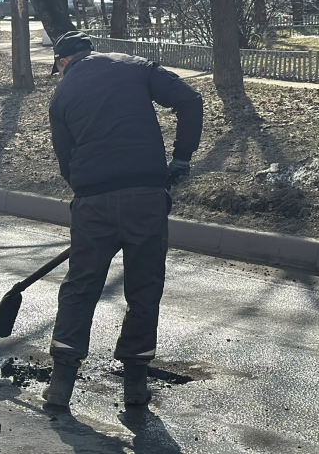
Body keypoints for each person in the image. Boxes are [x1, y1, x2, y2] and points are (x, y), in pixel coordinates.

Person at [43, 31, 203, 407]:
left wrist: (88, 197)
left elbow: (66, 161)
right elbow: (190, 101)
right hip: (145, 197)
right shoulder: (135, 67)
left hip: (92, 203)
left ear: (63, 61)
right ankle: (134, 382)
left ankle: (61, 384)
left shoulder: (61, 95)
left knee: (81, 287)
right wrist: (181, 158)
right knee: (144, 289)